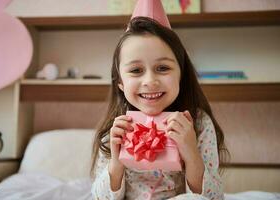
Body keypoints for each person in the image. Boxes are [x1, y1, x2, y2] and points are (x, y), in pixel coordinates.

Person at [90, 1, 228, 200]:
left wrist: (190, 153)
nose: (150, 81)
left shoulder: (198, 123)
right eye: (136, 70)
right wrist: (116, 161)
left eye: (163, 68)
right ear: (120, 82)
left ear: (181, 74)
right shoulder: (116, 129)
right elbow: (98, 197)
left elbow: (213, 197)